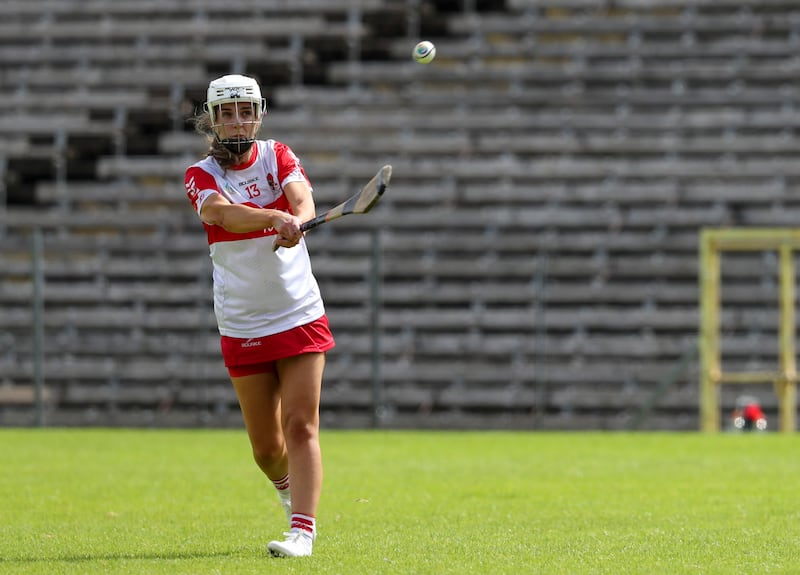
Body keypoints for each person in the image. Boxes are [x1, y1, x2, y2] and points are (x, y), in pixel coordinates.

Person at [183, 74, 334, 558]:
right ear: (212, 119)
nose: (237, 121)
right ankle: (288, 493)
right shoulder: (200, 174)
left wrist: (298, 221)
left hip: (298, 311)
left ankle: (303, 532)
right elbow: (222, 216)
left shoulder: (278, 155)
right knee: (267, 450)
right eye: (227, 113)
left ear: (259, 112)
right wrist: (273, 219)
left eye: (246, 110)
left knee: (301, 425)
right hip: (243, 321)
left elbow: (302, 199)